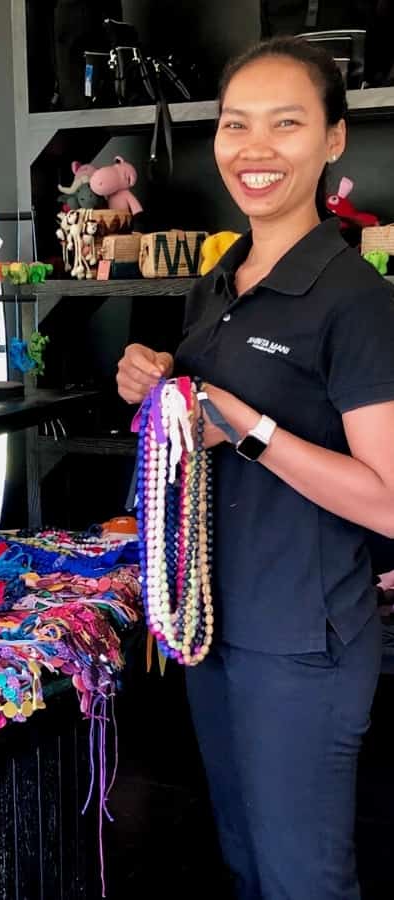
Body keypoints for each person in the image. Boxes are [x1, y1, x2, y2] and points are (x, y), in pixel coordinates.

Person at [116, 37, 394, 900]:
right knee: (242, 861)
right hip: (214, 629)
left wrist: (247, 426)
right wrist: (154, 382)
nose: (255, 149)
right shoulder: (218, 282)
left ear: (334, 140)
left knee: (301, 879)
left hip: (301, 644)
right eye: (237, 125)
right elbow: (197, 420)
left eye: (287, 123)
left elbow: (389, 504)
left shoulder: (358, 303)